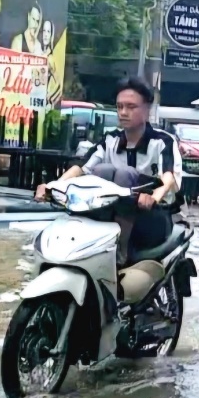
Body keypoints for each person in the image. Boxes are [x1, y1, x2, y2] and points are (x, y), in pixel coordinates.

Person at [35, 77, 181, 264]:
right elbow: (80, 168)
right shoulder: (110, 141)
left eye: (131, 107)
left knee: (124, 174)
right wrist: (52, 186)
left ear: (147, 110)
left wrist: (153, 197)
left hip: (152, 219)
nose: (123, 112)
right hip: (110, 216)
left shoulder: (162, 142)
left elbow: (167, 178)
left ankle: (120, 252)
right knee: (102, 170)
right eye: (119, 107)